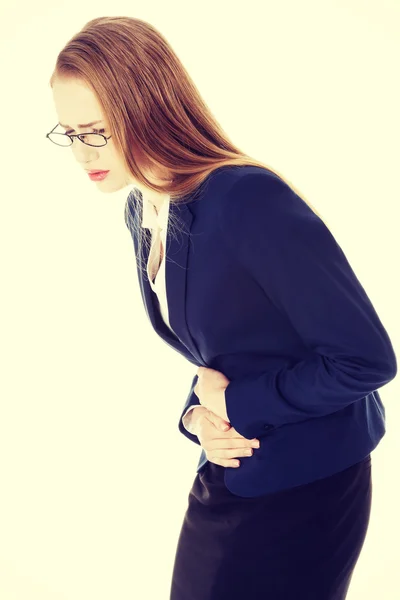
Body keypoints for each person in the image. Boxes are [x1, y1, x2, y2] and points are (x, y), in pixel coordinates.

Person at [47, 16, 397, 600]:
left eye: (97, 131)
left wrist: (236, 402)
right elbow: (231, 347)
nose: (83, 154)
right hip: (233, 471)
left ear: (147, 109)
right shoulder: (144, 209)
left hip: (310, 483)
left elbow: (364, 362)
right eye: (69, 134)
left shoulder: (246, 200)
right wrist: (197, 416)